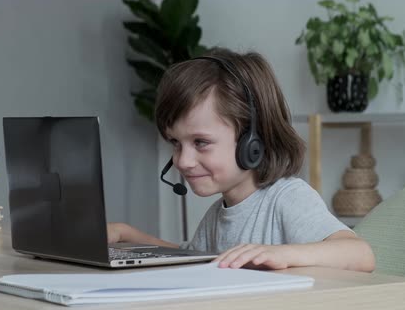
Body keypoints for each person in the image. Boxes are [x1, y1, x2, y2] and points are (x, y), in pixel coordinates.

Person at [108, 48, 375, 272]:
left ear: (252, 141)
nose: (184, 161)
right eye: (176, 143)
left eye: (200, 142)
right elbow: (187, 257)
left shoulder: (286, 197)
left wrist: (284, 254)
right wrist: (126, 235)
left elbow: (360, 254)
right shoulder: (217, 214)